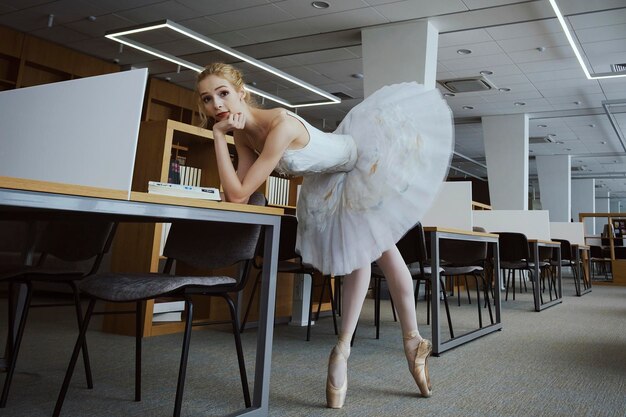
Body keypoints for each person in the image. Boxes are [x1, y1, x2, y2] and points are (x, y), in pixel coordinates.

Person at [196, 63, 454, 409]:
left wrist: (217, 136)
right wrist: (218, 136)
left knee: (376, 250)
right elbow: (237, 196)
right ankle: (384, 346)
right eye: (207, 99)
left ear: (241, 94)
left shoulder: (280, 126)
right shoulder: (241, 134)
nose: (217, 105)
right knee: (361, 257)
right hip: (327, 182)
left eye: (223, 93)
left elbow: (239, 191)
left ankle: (382, 345)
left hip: (357, 162)